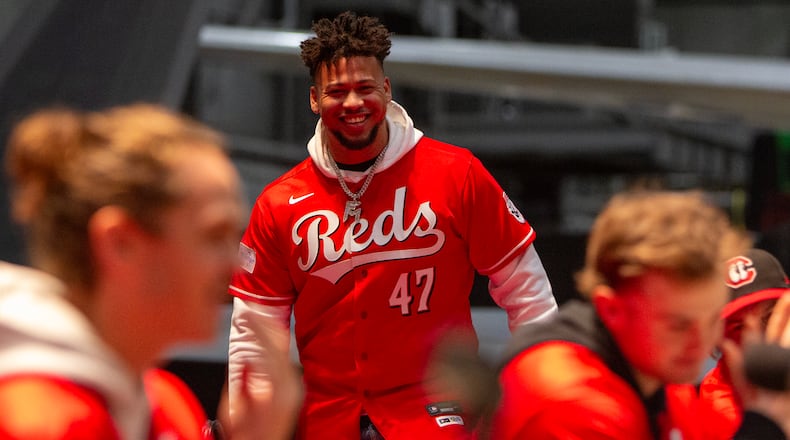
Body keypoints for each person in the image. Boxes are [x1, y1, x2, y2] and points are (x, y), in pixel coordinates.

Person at [227, 10, 558, 440]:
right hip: (329, 422)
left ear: (386, 89)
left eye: (365, 88)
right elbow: (255, 334)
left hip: (440, 418)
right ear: (313, 99)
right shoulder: (279, 203)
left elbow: (528, 294)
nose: (352, 103)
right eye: (336, 91)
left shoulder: (457, 174)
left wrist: (544, 397)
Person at [0, 104, 301, 439]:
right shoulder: (33, 423)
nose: (234, 266)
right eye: (214, 235)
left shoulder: (166, 401)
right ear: (120, 244)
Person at [489, 189, 752, 439]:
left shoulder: (662, 373)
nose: (701, 343)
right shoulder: (571, 403)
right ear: (611, 310)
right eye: (678, 325)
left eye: (713, 320)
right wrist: (766, 422)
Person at [698, 248, 790, 438]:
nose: (759, 336)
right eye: (739, 328)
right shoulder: (720, 401)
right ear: (719, 339)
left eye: (770, 316)